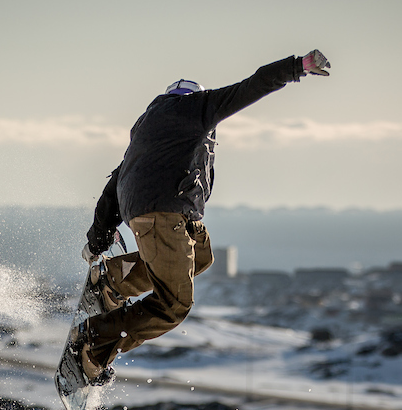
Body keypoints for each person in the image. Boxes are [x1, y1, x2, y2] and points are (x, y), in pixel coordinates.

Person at [69, 50, 332, 385]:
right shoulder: (196, 109)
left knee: (200, 256)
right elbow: (253, 85)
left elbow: (113, 188)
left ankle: (114, 279)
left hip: (158, 215)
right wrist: (299, 66)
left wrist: (98, 239)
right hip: (164, 216)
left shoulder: (147, 133)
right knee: (174, 303)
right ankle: (94, 342)